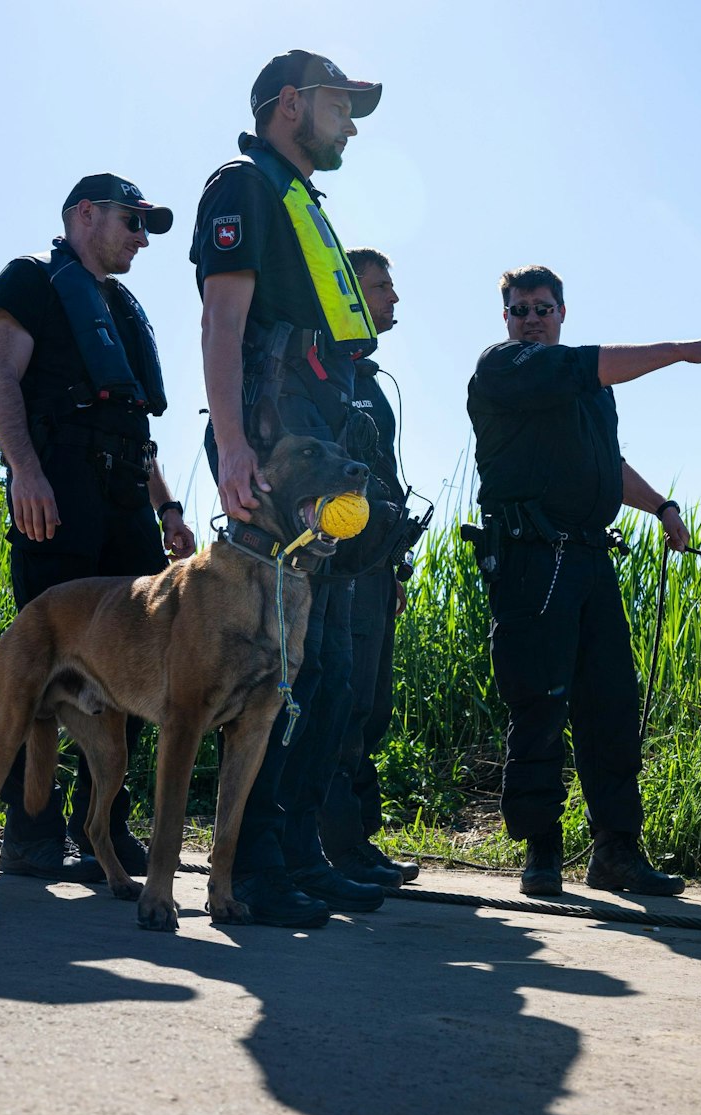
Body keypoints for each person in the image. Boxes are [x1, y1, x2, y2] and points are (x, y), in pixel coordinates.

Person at [465, 264, 701, 897]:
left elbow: (606, 463)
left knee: (613, 707)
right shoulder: (504, 367)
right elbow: (585, 366)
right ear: (506, 318)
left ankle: (617, 853)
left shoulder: (592, 391)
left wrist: (662, 508)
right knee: (539, 703)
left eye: (544, 308)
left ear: (563, 313)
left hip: (592, 561)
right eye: (521, 309)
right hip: (532, 562)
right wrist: (681, 351)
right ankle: (541, 855)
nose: (533, 317)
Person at [189, 49, 388, 926]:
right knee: (279, 672)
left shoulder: (304, 198)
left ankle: (298, 851)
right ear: (291, 104)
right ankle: (250, 867)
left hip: (322, 465)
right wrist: (232, 447)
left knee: (331, 674)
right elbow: (223, 320)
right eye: (341, 104)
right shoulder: (244, 186)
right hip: (273, 463)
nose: (351, 122)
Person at [0, 172, 197, 883]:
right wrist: (25, 470)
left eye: (145, 226)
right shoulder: (32, 282)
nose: (141, 238)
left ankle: (98, 823)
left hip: (126, 505)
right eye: (131, 222)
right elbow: (0, 376)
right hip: (59, 494)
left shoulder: (122, 309)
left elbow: (136, 428)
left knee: (132, 665)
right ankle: (30, 834)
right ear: (83, 215)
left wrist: (166, 509)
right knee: (43, 672)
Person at [318, 247, 423, 888]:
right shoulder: (325, 374)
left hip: (377, 567)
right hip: (340, 568)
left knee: (372, 705)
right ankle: (340, 849)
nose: (392, 299)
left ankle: (358, 841)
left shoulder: (370, 379)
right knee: (345, 703)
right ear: (347, 294)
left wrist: (398, 567)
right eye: (380, 287)